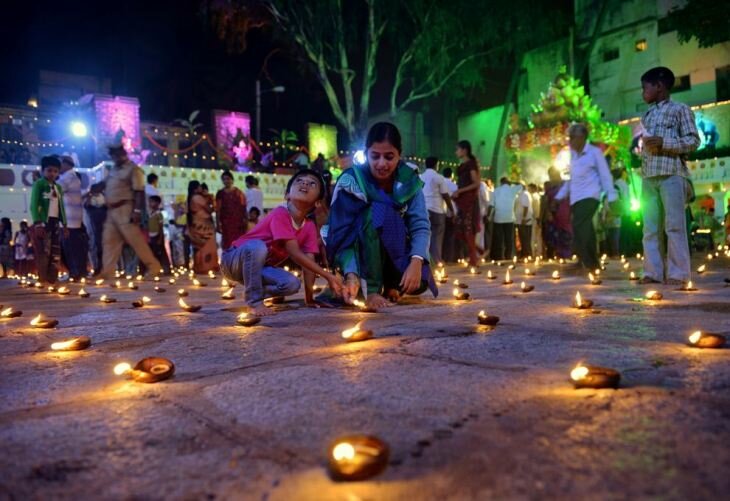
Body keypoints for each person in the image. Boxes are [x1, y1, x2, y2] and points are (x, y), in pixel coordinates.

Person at [325, 122, 436, 310]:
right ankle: (372, 289)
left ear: (399, 155)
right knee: (378, 211)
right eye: (375, 156)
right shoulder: (351, 180)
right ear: (366, 153)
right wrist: (351, 273)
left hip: (392, 250)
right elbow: (340, 234)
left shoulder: (409, 180)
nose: (382, 164)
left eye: (389, 157)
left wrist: (416, 261)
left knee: (419, 283)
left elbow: (419, 224)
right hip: (358, 257)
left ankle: (392, 284)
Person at [220, 169, 343, 316]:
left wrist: (309, 298)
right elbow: (294, 252)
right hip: (233, 260)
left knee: (292, 284)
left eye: (312, 184)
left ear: (317, 202)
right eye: (299, 181)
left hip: (259, 268)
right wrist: (328, 276)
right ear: (287, 195)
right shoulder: (280, 213)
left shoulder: (309, 225)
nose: (304, 183)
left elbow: (308, 262)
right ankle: (254, 302)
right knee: (258, 246)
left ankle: (256, 292)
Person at [639, 66, 700, 285]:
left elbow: (693, 141)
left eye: (645, 87)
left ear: (659, 86)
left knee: (674, 226)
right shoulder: (647, 114)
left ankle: (678, 274)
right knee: (650, 229)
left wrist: (665, 143)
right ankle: (652, 273)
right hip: (648, 176)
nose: (643, 92)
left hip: (672, 173)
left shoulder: (680, 109)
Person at [556, 123, 617, 271]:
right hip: (576, 198)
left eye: (572, 138)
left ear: (582, 137)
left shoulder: (594, 153)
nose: (569, 141)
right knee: (585, 227)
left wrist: (612, 196)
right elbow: (571, 179)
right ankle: (589, 260)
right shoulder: (573, 155)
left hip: (591, 195)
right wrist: (560, 195)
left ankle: (586, 260)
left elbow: (605, 175)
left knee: (579, 224)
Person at [98, 144, 161, 279]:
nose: (114, 157)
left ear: (122, 153)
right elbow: (105, 183)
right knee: (109, 241)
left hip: (125, 209)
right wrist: (96, 187)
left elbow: (139, 191)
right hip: (111, 211)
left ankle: (153, 267)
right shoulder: (114, 170)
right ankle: (108, 272)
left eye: (116, 154)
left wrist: (137, 211)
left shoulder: (134, 169)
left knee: (135, 241)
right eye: (112, 155)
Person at [30, 156, 66, 284]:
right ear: (43, 170)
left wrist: (65, 224)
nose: (52, 174)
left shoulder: (58, 188)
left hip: (55, 222)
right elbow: (34, 205)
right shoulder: (39, 184)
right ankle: (43, 279)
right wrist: (38, 224)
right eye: (49, 170)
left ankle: (52, 278)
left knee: (55, 251)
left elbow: (61, 207)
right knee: (43, 251)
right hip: (43, 222)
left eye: (56, 171)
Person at [57, 156, 88, 280]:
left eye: (59, 164)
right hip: (73, 221)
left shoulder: (67, 177)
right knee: (74, 248)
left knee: (70, 249)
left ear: (66, 164)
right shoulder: (73, 177)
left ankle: (75, 273)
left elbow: (54, 191)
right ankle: (77, 273)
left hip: (69, 221)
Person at [420, 156, 454, 264]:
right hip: (437, 210)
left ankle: (426, 261)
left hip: (424, 210)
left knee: (425, 236)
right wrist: (451, 209)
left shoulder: (420, 177)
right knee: (437, 237)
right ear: (436, 165)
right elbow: (445, 195)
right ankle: (437, 260)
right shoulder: (439, 177)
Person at [452, 140, 482, 266]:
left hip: (469, 200)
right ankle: (479, 250)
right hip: (462, 200)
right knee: (460, 229)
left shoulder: (471, 164)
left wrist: (460, 190)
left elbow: (476, 183)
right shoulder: (462, 166)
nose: (456, 152)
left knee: (468, 229)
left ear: (464, 150)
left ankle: (473, 259)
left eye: (457, 149)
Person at [187, 180, 219, 274]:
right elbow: (210, 210)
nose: (201, 188)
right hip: (204, 225)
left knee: (199, 247)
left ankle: (200, 266)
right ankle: (207, 266)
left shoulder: (191, 198)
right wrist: (212, 200)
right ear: (196, 188)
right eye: (200, 187)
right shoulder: (198, 198)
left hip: (197, 224)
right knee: (207, 245)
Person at [490, 178, 523, 260]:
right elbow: (522, 185)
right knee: (509, 239)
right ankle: (508, 256)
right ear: (508, 183)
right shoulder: (512, 190)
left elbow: (491, 205)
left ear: (501, 183)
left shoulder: (496, 190)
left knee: (499, 239)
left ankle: (499, 257)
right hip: (509, 218)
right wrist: (512, 182)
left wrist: (489, 216)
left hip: (498, 218)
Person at [543, 168, 572, 258]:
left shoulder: (565, 185)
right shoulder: (549, 187)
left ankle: (567, 256)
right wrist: (548, 212)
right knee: (553, 236)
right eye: (550, 175)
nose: (551, 177)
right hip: (553, 215)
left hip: (565, 213)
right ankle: (558, 256)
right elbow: (547, 201)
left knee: (566, 235)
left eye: (553, 175)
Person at [215, 170, 248, 250]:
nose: (226, 181)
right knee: (227, 242)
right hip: (226, 223)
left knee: (238, 242)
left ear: (232, 180)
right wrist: (217, 223)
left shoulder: (238, 193)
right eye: (224, 179)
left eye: (228, 179)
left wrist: (245, 220)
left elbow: (243, 207)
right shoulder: (220, 193)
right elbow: (218, 209)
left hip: (238, 222)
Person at [83, 183, 107, 273]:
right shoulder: (89, 198)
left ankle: (104, 267)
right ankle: (96, 267)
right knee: (94, 247)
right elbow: (86, 205)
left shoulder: (104, 197)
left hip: (103, 226)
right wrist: (90, 195)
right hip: (92, 226)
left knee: (103, 247)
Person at [146, 195, 171, 274]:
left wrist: (160, 238)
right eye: (149, 202)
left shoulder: (159, 214)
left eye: (152, 202)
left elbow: (160, 227)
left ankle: (166, 269)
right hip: (151, 235)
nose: (150, 204)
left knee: (161, 252)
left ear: (157, 203)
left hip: (157, 235)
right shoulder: (150, 214)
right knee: (153, 253)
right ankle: (156, 268)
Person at [441, 167, 458, 263]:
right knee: (450, 237)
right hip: (452, 214)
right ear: (451, 175)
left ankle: (440, 258)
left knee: (441, 238)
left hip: (441, 212)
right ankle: (449, 258)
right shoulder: (454, 186)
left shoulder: (440, 183)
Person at [514, 181, 533, 258]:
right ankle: (524, 253)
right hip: (520, 220)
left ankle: (527, 254)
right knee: (522, 237)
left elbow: (526, 207)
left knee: (525, 238)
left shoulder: (524, 194)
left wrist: (524, 218)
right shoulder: (521, 194)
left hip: (524, 220)